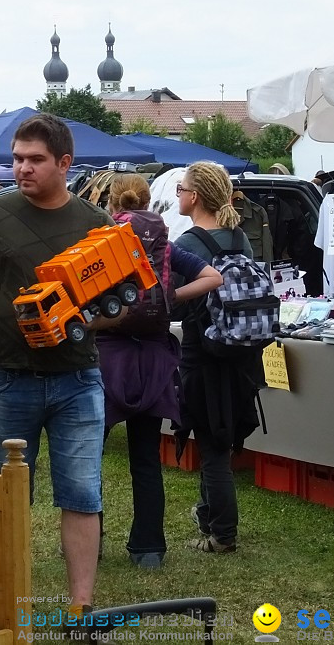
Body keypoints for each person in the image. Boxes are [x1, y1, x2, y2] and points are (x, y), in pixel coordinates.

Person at [0, 113, 114, 632]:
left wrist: (95, 312)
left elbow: (120, 304)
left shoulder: (94, 223)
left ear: (64, 162)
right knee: (8, 493)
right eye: (17, 158)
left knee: (82, 492)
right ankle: (8, 602)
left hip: (77, 379)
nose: (22, 168)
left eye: (34, 159)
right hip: (6, 378)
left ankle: (81, 609)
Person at [97, 173, 222, 570]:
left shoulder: (104, 238)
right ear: (150, 201)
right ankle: (148, 549)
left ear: (113, 203)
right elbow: (212, 277)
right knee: (146, 460)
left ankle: (89, 542)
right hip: (153, 359)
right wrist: (169, 299)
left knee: (88, 458)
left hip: (108, 358)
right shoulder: (164, 243)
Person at [174, 160, 256, 554]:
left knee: (210, 447)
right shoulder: (241, 238)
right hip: (240, 353)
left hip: (202, 354)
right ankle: (209, 514)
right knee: (222, 441)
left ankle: (223, 533)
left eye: (180, 189)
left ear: (195, 197)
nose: (178, 195)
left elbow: (171, 302)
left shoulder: (189, 244)